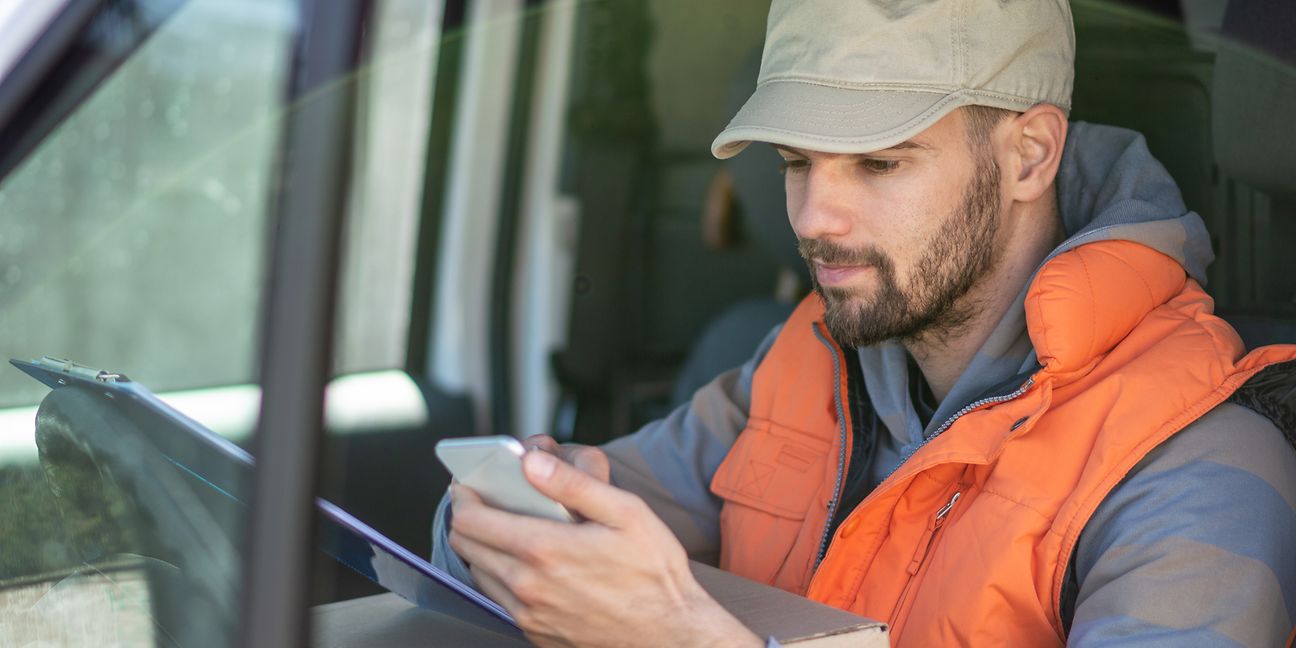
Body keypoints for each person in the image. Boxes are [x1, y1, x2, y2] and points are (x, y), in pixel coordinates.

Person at [433, 1, 1296, 645]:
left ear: (1029, 154)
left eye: (880, 162)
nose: (813, 218)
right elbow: (510, 536)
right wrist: (519, 515)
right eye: (797, 162)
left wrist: (687, 636)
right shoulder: (801, 362)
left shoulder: (1197, 468)